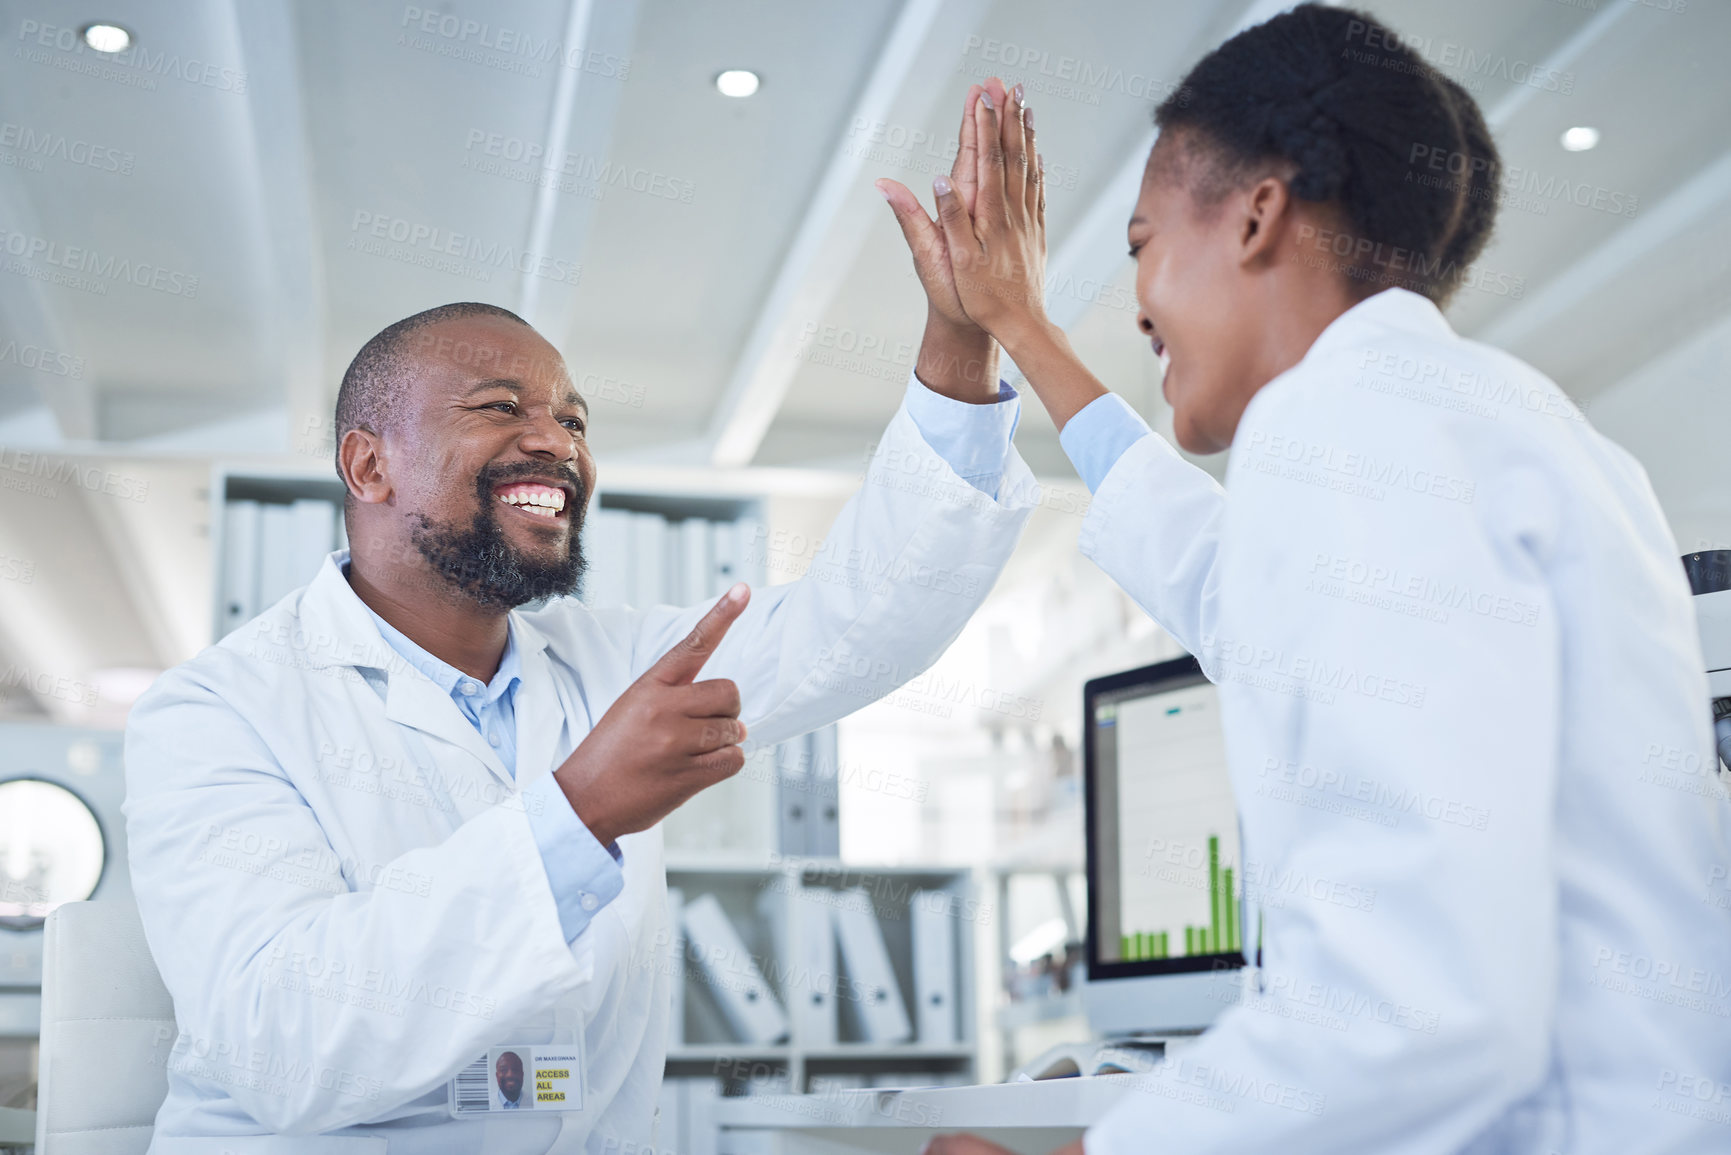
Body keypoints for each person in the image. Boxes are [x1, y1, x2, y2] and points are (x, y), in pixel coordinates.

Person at [878, 7, 1731, 1154]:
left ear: (1259, 215)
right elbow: (1218, 577)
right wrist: (1021, 327)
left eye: (1140, 245)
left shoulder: (1339, 428)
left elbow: (1415, 1009)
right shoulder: (1522, 435)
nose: (1136, 301)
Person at [125, 158, 1037, 1155]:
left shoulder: (612, 662)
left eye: (571, 419)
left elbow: (862, 621)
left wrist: (963, 334)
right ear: (368, 463)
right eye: (499, 406)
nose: (554, 443)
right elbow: (284, 1044)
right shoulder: (214, 714)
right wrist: (578, 813)